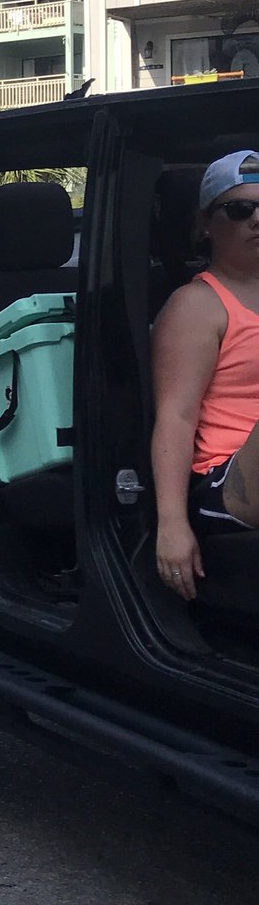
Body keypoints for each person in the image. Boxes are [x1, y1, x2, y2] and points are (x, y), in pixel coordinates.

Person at [152, 150, 259, 600]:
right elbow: (175, 416)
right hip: (226, 483)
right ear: (205, 225)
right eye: (240, 209)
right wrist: (172, 524)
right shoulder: (196, 306)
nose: (257, 219)